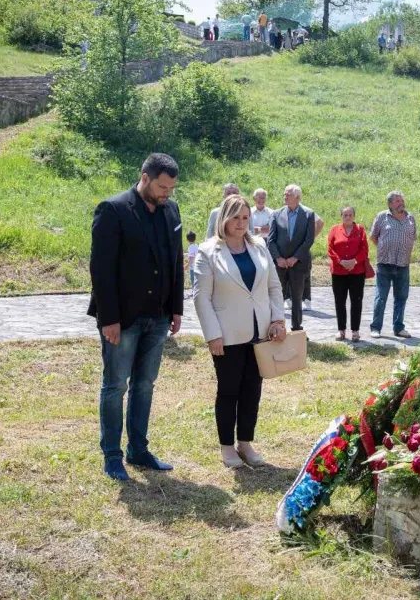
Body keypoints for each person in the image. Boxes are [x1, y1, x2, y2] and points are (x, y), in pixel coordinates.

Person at [87, 153, 184, 481]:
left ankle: (138, 449)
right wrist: (108, 318)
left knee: (145, 384)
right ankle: (112, 455)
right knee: (115, 385)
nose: (165, 194)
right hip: (123, 318)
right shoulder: (113, 210)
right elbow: (101, 270)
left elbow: (175, 261)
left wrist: (176, 308)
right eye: (161, 187)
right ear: (144, 176)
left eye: (170, 189)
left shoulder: (171, 209)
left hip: (157, 317)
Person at [194, 194, 286, 468]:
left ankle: (245, 443)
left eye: (245, 217)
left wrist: (278, 320)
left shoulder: (259, 246)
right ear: (224, 217)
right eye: (235, 217)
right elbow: (201, 298)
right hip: (227, 335)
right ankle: (227, 447)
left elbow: (273, 287)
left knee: (252, 390)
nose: (241, 223)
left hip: (260, 333)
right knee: (228, 390)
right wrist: (213, 335)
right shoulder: (208, 251)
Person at [267, 184, 316, 331]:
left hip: (298, 264)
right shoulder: (276, 214)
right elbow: (271, 240)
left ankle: (296, 328)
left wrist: (295, 258)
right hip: (280, 264)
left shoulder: (308, 214)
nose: (285, 196)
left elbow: (309, 240)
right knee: (276, 296)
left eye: (288, 194)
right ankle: (276, 328)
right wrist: (278, 258)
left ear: (298, 197)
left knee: (296, 297)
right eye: (285, 193)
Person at [369, 191, 416, 339]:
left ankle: (399, 327)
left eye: (402, 200)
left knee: (401, 297)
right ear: (390, 204)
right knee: (381, 297)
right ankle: (376, 328)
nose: (401, 203)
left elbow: (413, 238)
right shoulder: (382, 216)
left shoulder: (411, 218)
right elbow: (373, 237)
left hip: (403, 264)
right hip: (385, 264)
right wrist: (384, 248)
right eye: (397, 201)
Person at [328, 205, 369, 341]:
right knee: (340, 301)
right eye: (345, 215)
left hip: (357, 271)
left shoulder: (360, 229)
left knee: (356, 301)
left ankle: (355, 331)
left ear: (354, 216)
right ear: (341, 216)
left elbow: (364, 249)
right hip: (339, 272)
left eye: (350, 215)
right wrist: (341, 261)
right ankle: (341, 330)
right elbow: (330, 249)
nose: (348, 217)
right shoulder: (334, 229)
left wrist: (354, 261)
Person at [186, 231, 198, 297]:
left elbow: (191, 258)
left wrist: (187, 265)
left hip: (193, 267)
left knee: (193, 279)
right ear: (195, 239)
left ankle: (194, 292)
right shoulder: (196, 245)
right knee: (196, 280)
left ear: (187, 240)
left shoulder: (190, 247)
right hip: (197, 266)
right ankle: (195, 291)